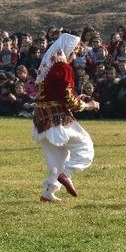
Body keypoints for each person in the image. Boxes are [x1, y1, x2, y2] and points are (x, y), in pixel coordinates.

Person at [33, 34, 100, 202]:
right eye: (75, 52)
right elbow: (70, 102)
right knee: (86, 148)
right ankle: (67, 174)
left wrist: (78, 97)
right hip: (56, 119)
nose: (75, 56)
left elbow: (56, 93)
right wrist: (90, 105)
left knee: (58, 157)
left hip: (40, 119)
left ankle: (48, 192)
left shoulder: (48, 66)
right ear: (68, 50)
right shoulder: (62, 67)